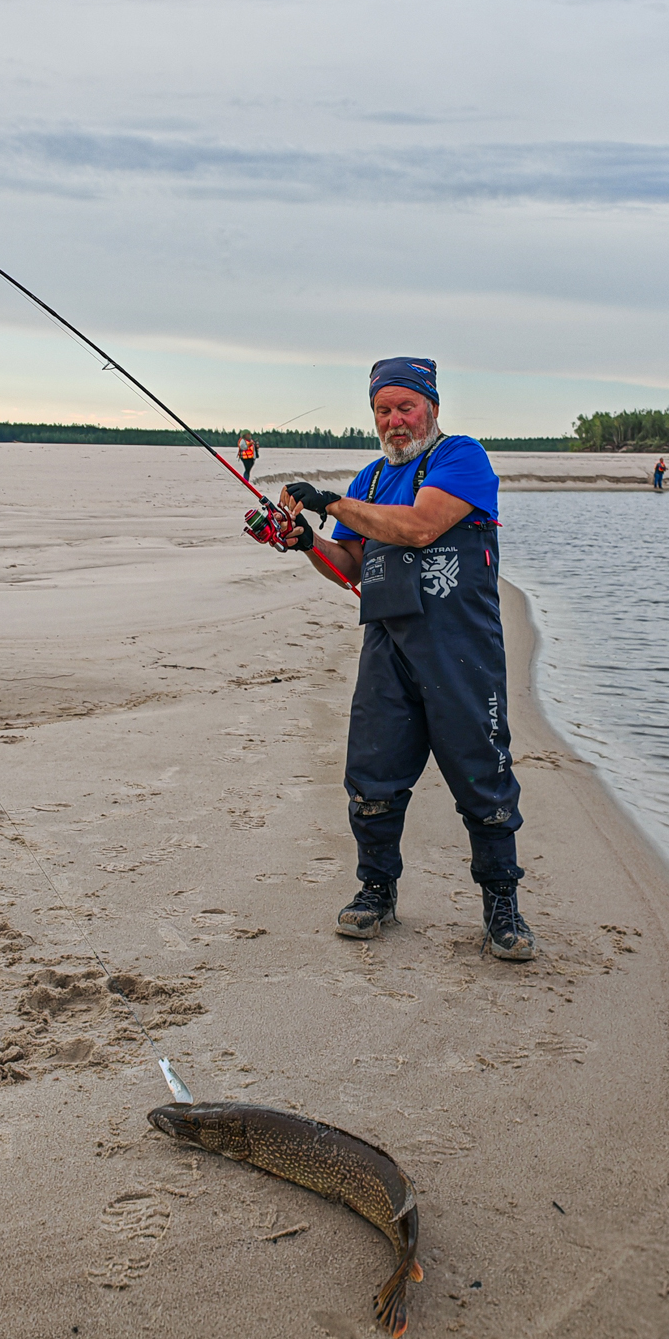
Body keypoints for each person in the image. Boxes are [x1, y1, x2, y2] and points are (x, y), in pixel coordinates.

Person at [276, 357, 534, 962]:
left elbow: (419, 528)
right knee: (373, 775)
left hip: (461, 652)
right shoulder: (370, 477)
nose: (395, 421)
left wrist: (330, 504)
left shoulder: (459, 457)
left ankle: (501, 905)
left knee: (482, 777)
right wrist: (306, 540)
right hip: (388, 646)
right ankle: (376, 890)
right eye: (383, 411)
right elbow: (349, 567)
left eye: (405, 407)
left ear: (432, 407)